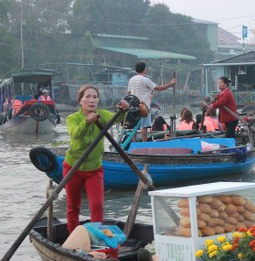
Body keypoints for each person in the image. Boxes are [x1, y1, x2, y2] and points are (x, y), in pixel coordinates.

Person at [63, 85, 130, 234]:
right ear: (80, 100)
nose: (92, 100)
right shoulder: (72, 119)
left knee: (97, 205)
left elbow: (115, 118)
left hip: (94, 169)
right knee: (73, 206)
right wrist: (87, 121)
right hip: (73, 167)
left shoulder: (102, 115)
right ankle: (74, 237)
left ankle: (95, 236)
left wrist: (123, 110)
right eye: (87, 96)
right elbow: (76, 134)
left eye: (95, 97)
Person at [127, 61, 176, 142]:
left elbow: (129, 93)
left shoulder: (131, 79)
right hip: (144, 106)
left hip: (133, 105)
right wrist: (170, 84)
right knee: (144, 126)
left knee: (134, 125)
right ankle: (144, 142)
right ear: (144, 69)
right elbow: (158, 88)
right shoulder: (145, 79)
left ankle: (134, 142)